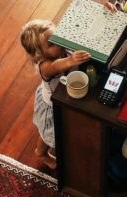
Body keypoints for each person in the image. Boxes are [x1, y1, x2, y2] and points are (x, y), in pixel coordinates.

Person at [19, 20, 91, 169]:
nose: (58, 44)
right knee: (48, 133)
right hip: (51, 106)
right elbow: (56, 66)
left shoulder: (61, 47)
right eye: (51, 44)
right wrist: (71, 60)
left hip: (63, 95)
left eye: (56, 37)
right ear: (40, 54)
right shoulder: (45, 66)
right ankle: (41, 153)